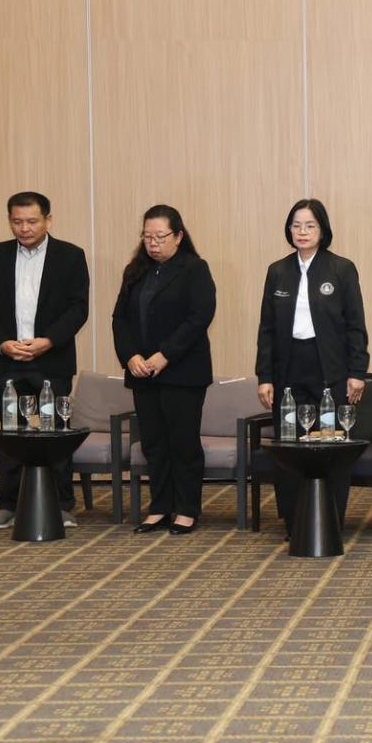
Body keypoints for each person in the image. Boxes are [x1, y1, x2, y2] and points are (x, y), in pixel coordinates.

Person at [0, 192, 90, 530]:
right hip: (7, 360)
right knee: (11, 435)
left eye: (32, 221)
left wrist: (48, 341)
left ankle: (63, 505)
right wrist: (2, 343)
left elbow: (77, 308)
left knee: (56, 433)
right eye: (17, 222)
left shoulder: (70, 256)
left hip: (51, 360)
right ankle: (9, 505)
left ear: (48, 220)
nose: (24, 228)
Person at [255, 199, 370, 534]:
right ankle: (296, 522)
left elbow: (355, 325)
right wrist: (265, 376)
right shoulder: (278, 271)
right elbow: (266, 329)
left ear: (322, 230)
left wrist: (357, 372)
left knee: (330, 443)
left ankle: (330, 519)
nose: (302, 232)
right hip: (288, 368)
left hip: (329, 369)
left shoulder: (341, 269)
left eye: (309, 226)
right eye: (296, 226)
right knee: (290, 444)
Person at [112, 206, 217, 535]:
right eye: (147, 237)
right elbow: (120, 319)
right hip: (142, 372)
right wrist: (130, 356)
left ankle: (186, 509)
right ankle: (159, 507)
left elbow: (199, 317)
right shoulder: (135, 271)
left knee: (183, 443)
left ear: (179, 236)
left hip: (182, 372)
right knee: (153, 443)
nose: (153, 243)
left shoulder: (194, 269)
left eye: (160, 237)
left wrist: (165, 355)